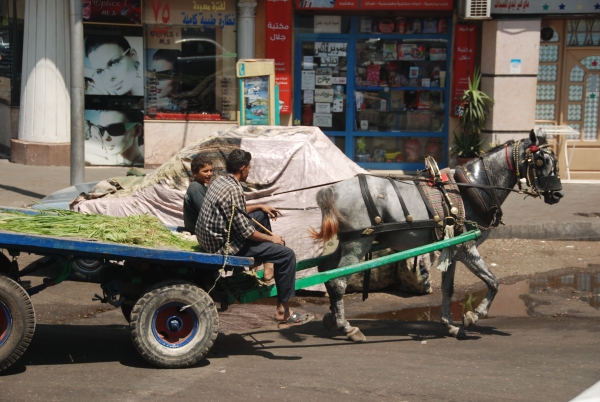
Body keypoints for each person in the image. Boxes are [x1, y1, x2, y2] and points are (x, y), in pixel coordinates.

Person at [197, 149, 313, 328]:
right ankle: (283, 310)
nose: (249, 171)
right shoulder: (234, 188)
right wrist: (271, 238)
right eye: (249, 168)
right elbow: (246, 232)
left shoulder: (221, 181)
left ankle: (268, 266)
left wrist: (260, 205)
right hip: (223, 245)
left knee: (261, 214)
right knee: (287, 255)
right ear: (242, 168)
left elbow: (237, 211)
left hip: (211, 237)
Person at [183, 155, 213, 233]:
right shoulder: (196, 188)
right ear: (195, 173)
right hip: (197, 232)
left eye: (211, 170)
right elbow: (207, 214)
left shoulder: (200, 186)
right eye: (205, 171)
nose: (209, 174)